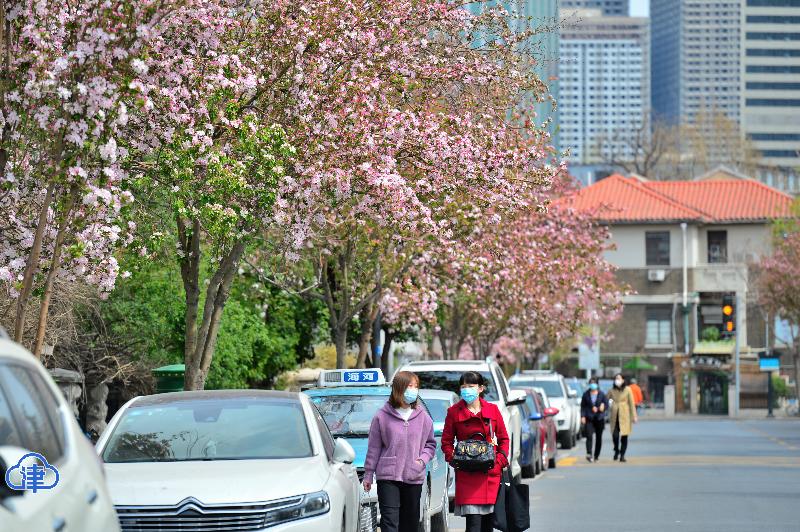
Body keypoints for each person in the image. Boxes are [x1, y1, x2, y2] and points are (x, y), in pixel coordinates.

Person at [363, 371, 436, 532]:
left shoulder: (423, 417)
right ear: (399, 388)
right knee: (389, 523)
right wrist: (368, 474)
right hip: (388, 477)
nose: (413, 390)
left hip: (414, 476)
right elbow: (374, 447)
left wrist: (421, 461)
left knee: (410, 523)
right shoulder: (381, 416)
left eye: (416, 386)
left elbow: (430, 445)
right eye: (410, 386)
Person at [441, 371, 510, 532]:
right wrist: (455, 460)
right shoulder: (454, 412)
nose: (466, 390)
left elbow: (504, 439)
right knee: (473, 525)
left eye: (470, 386)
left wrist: (499, 462)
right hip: (467, 476)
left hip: (490, 475)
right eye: (463, 387)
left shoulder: (492, 410)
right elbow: (446, 441)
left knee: (488, 526)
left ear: (480, 388)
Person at [607, 373, 637, 462]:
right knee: (615, 436)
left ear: (623, 380)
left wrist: (634, 416)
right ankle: (616, 450)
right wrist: (611, 403)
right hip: (614, 415)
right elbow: (608, 399)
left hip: (625, 415)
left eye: (619, 378)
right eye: (616, 378)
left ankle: (622, 455)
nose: (617, 380)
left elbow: (631, 403)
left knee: (624, 435)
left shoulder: (628, 390)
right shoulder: (611, 390)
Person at [580, 377, 608, 462]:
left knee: (599, 437)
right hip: (589, 418)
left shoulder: (602, 394)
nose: (593, 384)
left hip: (599, 418)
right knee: (589, 435)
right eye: (591, 383)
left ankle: (596, 455)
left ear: (597, 384)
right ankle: (589, 453)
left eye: (594, 383)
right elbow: (583, 406)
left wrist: (603, 407)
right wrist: (583, 416)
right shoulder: (586, 394)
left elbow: (606, 405)